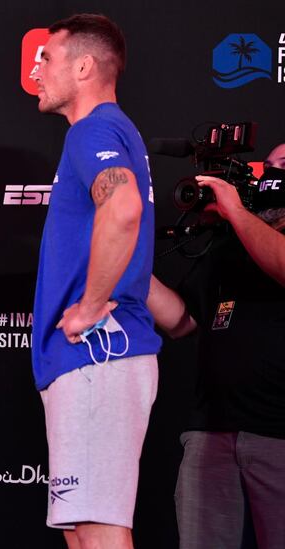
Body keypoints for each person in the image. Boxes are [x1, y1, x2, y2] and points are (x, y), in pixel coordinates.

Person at [30, 14, 161, 549]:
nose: (36, 70)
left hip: (96, 357)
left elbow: (124, 207)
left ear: (84, 66)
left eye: (47, 58)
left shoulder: (94, 130)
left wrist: (90, 305)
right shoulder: (111, 131)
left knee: (100, 534)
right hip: (95, 362)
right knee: (85, 533)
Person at [147, 144, 285, 549]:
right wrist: (128, 264)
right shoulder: (229, 244)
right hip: (211, 434)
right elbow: (182, 321)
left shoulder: (241, 226)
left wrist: (236, 212)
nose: (276, 174)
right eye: (273, 165)